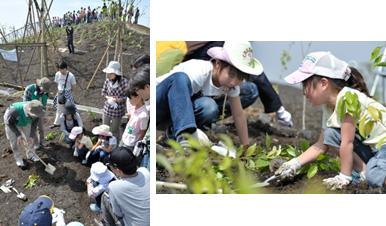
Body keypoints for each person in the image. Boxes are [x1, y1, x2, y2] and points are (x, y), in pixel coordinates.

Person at [275, 51, 386, 189]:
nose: (303, 92)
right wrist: (293, 164)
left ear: (323, 84)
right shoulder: (328, 107)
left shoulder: (348, 98)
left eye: (306, 84)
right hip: (372, 149)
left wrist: (344, 176)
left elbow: (347, 142)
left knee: (375, 178)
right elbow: (321, 145)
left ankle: (370, 175)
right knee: (330, 135)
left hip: (383, 146)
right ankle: (363, 173)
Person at [156, 41, 262, 148]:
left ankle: (172, 135)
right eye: (231, 75)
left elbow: (238, 114)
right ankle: (184, 138)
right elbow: (177, 92)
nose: (234, 82)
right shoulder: (200, 72)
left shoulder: (230, 85)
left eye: (240, 79)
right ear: (218, 64)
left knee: (209, 106)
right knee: (180, 78)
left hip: (176, 113)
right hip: (158, 103)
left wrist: (245, 145)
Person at [98, 146, 150, 225]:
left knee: (105, 197)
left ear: (118, 170)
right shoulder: (145, 171)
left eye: (110, 166)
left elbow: (118, 213)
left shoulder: (114, 186)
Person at [4, 100, 44, 167]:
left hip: (26, 121)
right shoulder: (14, 112)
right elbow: (9, 123)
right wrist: (18, 134)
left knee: (29, 138)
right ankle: (18, 158)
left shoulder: (37, 113)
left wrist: (31, 136)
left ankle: (31, 155)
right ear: (29, 112)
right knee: (14, 142)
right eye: (35, 115)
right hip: (12, 122)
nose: (36, 116)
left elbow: (34, 125)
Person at [101, 61, 129, 140]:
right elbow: (103, 92)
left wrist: (117, 100)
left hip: (118, 110)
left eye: (111, 73)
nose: (109, 75)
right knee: (104, 128)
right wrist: (108, 98)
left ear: (116, 74)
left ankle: (114, 145)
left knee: (114, 130)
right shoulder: (107, 81)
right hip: (107, 109)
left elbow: (128, 97)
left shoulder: (124, 82)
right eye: (109, 73)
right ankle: (105, 142)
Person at [23, 77, 51, 149]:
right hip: (31, 113)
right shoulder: (29, 89)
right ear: (39, 86)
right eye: (43, 89)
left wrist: (42, 112)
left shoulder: (45, 92)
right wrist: (31, 114)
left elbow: (44, 103)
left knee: (41, 127)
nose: (44, 91)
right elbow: (25, 103)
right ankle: (35, 143)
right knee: (33, 128)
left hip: (40, 112)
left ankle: (42, 140)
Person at [119, 87, 149, 151]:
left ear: (139, 97)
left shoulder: (143, 116)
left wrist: (137, 147)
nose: (129, 101)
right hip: (125, 138)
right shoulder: (134, 108)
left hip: (131, 144)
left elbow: (142, 133)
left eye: (130, 98)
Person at [51, 61, 77, 128]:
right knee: (59, 108)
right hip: (60, 93)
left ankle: (75, 122)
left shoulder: (71, 76)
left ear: (66, 68)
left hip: (68, 92)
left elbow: (74, 86)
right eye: (60, 69)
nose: (62, 71)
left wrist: (69, 92)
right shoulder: (57, 74)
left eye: (63, 69)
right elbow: (57, 83)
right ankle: (57, 123)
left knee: (71, 108)